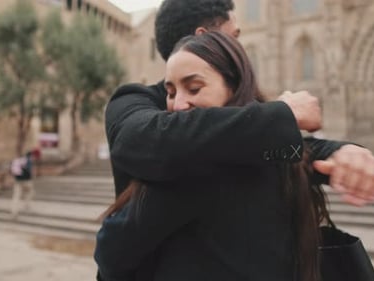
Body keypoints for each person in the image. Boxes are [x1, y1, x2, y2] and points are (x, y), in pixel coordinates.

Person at [95, 31, 340, 281]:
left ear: (233, 87)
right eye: (170, 93)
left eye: (194, 88)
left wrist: (342, 150)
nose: (178, 104)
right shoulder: (281, 160)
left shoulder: (193, 171)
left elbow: (111, 253)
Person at [105, 0, 374, 209]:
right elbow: (149, 139)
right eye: (235, 36)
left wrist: (342, 152)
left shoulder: (244, 118)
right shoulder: (134, 102)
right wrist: (282, 114)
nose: (241, 47)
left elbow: (286, 149)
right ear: (205, 39)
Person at [10, 149, 38, 219]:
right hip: (26, 181)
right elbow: (30, 171)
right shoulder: (28, 160)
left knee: (16, 197)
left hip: (18, 181)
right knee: (30, 192)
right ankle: (27, 205)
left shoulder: (18, 160)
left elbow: (13, 171)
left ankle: (14, 212)